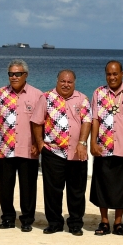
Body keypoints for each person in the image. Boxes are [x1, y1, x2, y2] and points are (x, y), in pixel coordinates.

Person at [32, 69, 92, 236]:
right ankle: (54, 223)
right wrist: (40, 143)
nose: (66, 84)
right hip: (53, 152)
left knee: (77, 191)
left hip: (76, 153)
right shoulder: (46, 98)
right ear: (57, 81)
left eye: (69, 82)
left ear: (74, 83)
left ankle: (75, 223)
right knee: (52, 191)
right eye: (63, 81)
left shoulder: (82, 99)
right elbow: (37, 121)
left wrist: (82, 142)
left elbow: (87, 121)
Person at [0, 59, 44, 232]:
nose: (14, 77)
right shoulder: (0, 93)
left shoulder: (37, 95)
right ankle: (8, 218)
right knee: (5, 186)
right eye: (11, 74)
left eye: (17, 74)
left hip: (28, 149)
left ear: (25, 75)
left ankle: (27, 220)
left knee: (28, 187)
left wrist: (37, 142)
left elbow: (40, 122)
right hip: (6, 148)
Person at [89, 61, 123, 236]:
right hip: (104, 147)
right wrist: (92, 142)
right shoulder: (98, 93)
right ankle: (104, 222)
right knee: (102, 185)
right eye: (109, 74)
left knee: (122, 187)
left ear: (122, 74)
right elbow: (94, 119)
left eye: (115, 74)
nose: (112, 77)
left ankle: (118, 222)